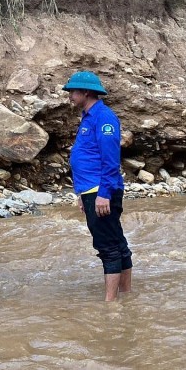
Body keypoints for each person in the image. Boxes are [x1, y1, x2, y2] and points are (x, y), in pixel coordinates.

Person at [63, 71, 133, 302]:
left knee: (108, 246)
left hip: (100, 191)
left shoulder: (104, 117)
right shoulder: (88, 117)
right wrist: (82, 195)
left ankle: (110, 304)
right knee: (117, 242)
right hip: (91, 191)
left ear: (86, 92)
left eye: (73, 91)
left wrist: (103, 194)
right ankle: (127, 295)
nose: (70, 96)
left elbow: (110, 159)